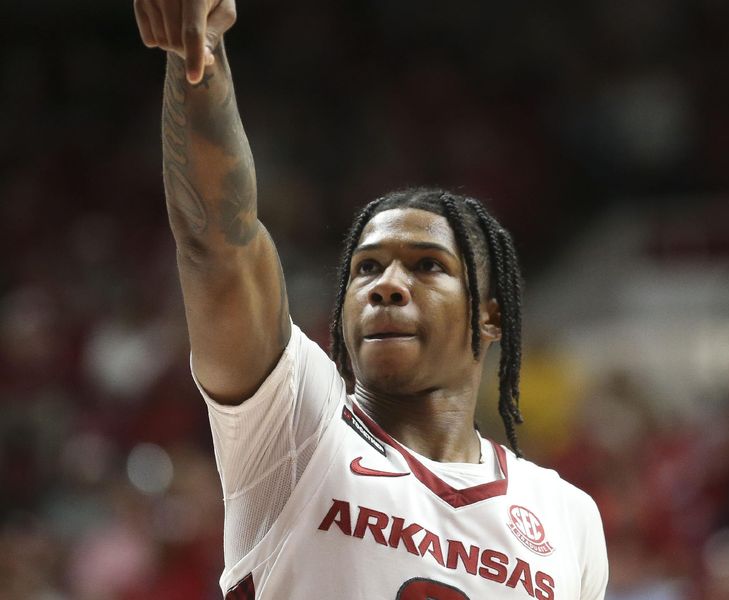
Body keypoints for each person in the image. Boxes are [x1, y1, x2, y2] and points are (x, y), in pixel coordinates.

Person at [133, 0, 609, 597]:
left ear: (490, 316)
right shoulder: (298, 429)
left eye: (428, 266)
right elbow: (218, 244)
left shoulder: (568, 517)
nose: (386, 284)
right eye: (366, 268)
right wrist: (198, 54)